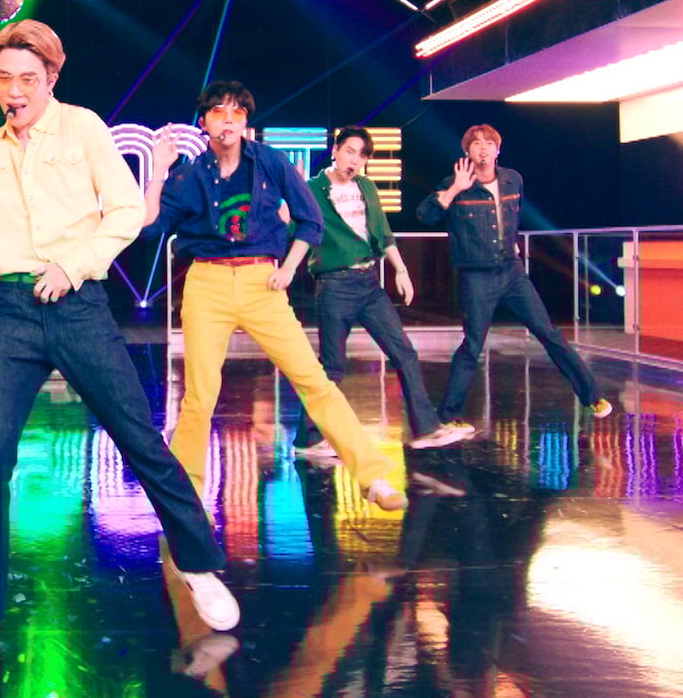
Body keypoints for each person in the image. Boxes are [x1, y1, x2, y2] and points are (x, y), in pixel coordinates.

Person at [0, 16, 239, 672]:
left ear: (52, 77)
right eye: (3, 79)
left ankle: (198, 564)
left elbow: (127, 209)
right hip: (12, 310)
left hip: (78, 304)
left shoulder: (83, 128)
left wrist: (73, 265)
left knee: (140, 440)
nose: (14, 90)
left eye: (27, 78)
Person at [142, 82, 410, 515]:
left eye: (236, 113)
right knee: (200, 395)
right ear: (204, 122)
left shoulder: (270, 161)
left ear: (246, 122)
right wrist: (158, 171)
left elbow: (310, 221)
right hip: (207, 284)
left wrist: (288, 268)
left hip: (261, 282)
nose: (228, 120)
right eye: (218, 111)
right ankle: (187, 498)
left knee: (313, 380)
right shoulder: (189, 174)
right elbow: (149, 226)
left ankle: (372, 475)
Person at [294, 126, 472, 454]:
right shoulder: (313, 189)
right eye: (349, 151)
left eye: (361, 155)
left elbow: (383, 231)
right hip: (335, 284)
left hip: (369, 284)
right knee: (332, 366)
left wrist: (400, 270)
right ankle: (309, 437)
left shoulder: (366, 186)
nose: (355, 160)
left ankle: (425, 429)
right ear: (335, 150)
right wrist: (290, 194)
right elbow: (293, 226)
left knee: (404, 352)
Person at [416, 124, 608, 428]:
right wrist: (454, 190)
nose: (483, 148)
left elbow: (511, 217)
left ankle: (592, 396)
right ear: (466, 151)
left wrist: (512, 243)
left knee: (549, 332)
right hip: (476, 276)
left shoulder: (512, 180)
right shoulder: (454, 183)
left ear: (498, 149)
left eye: (489, 143)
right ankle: (450, 416)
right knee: (473, 345)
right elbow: (425, 216)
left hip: (511, 271)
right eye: (476, 144)